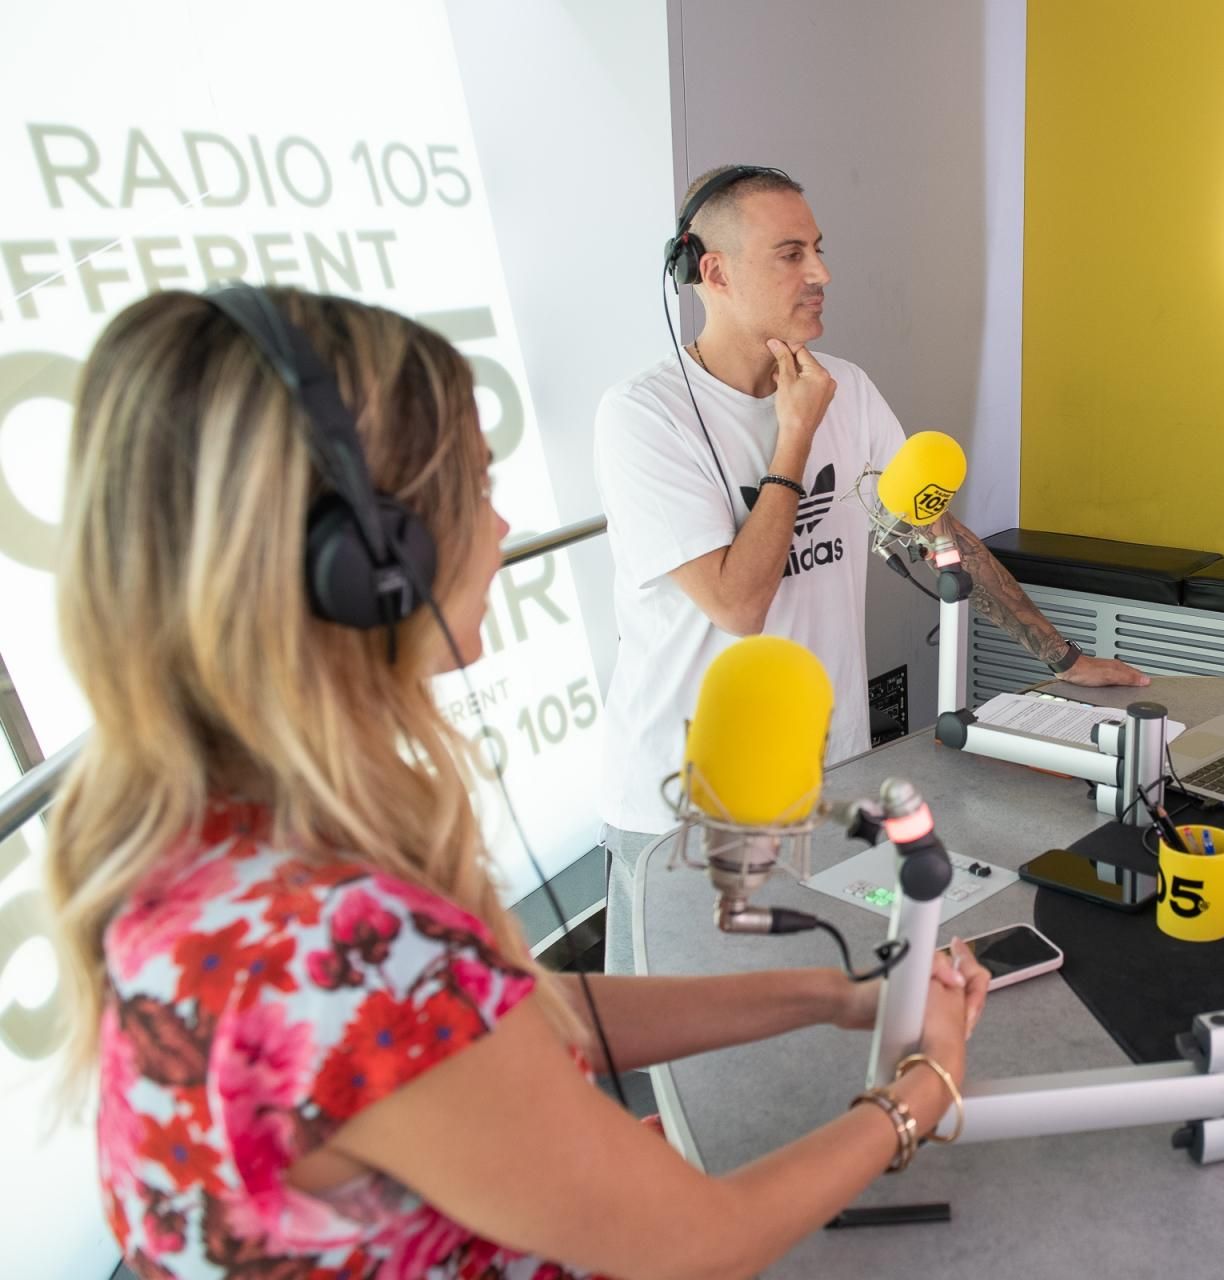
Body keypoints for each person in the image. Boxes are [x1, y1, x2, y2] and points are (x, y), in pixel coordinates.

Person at [45, 286, 990, 1280]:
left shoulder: (217, 840)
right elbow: (699, 1244)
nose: (500, 525)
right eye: (474, 484)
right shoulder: (332, 937)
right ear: (366, 559)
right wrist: (920, 1092)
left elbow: (511, 1011)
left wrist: (837, 994)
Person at [595, 166, 1147, 971]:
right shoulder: (644, 416)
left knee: (819, 1012)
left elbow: (933, 531)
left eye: (818, 249)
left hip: (829, 785)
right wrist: (794, 435)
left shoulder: (845, 389)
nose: (821, 273)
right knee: (678, 1043)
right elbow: (738, 605)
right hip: (686, 812)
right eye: (791, 254)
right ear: (714, 271)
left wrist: (1061, 656)